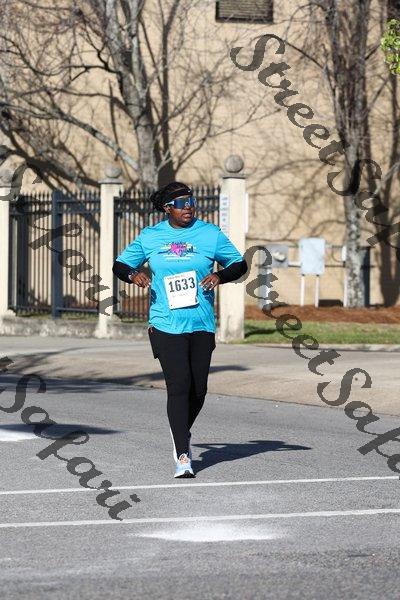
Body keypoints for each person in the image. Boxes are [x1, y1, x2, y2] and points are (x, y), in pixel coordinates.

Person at [113, 182, 247, 478]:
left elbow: (239, 264)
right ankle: (183, 455)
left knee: (199, 390)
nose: (189, 207)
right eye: (182, 203)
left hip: (201, 323)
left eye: (191, 201)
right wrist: (134, 274)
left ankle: (179, 431)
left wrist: (219, 276)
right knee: (179, 385)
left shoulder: (210, 234)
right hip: (165, 323)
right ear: (167, 208)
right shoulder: (151, 236)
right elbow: (120, 265)